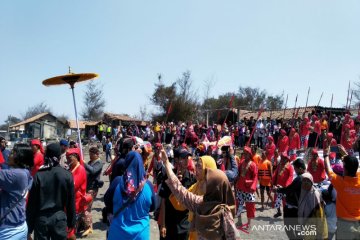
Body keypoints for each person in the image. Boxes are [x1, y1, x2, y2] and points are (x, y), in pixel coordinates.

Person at [162, 149, 239, 240]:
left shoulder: (222, 212)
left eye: (199, 166)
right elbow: (181, 195)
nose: (196, 169)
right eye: (196, 166)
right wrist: (166, 163)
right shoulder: (200, 197)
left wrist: (166, 163)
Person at [26, 143, 76, 240]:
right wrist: (71, 222)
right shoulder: (67, 175)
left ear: (46, 155)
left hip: (41, 219)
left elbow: (32, 204)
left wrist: (29, 227)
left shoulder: (39, 175)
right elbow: (70, 202)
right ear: (59, 155)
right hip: (59, 218)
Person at [104, 151, 156, 240]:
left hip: (118, 233)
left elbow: (107, 202)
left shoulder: (117, 182)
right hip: (141, 234)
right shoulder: (148, 185)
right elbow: (153, 207)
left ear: (126, 163)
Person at [323, 144, 360, 240]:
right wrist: (346, 155)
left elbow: (328, 170)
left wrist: (326, 155)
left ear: (345, 169)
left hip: (344, 225)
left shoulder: (341, 183)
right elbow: (354, 167)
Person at [0, 144, 33, 240]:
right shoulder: (25, 172)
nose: (9, 154)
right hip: (19, 225)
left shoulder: (16, 175)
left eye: (13, 152)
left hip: (9, 231)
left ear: (20, 157)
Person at [274, 158, 306, 239]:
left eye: (295, 168)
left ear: (300, 168)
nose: (295, 170)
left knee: (290, 229)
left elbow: (289, 189)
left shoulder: (300, 178)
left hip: (294, 209)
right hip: (301, 208)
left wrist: (278, 189)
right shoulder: (308, 176)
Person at [298, 173, 328, 239]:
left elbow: (320, 214)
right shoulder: (301, 192)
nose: (305, 183)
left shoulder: (315, 194)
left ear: (311, 182)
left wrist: (320, 232)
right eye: (304, 180)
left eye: (307, 181)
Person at [66, 148, 87, 239]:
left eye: (70, 158)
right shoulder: (71, 168)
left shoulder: (80, 169)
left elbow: (73, 186)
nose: (68, 160)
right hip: (70, 201)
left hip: (76, 202)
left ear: (76, 157)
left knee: (70, 229)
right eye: (67, 158)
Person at [82, 146, 104, 237]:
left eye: (91, 155)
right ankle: (85, 225)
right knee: (85, 207)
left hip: (93, 188)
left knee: (87, 207)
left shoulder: (99, 162)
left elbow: (93, 171)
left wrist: (84, 164)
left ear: (96, 154)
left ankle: (89, 227)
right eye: (89, 154)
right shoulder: (91, 162)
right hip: (87, 186)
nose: (90, 156)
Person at [235, 146, 258, 229]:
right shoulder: (241, 162)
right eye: (244, 153)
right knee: (238, 205)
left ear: (249, 154)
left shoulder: (253, 165)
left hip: (248, 189)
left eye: (246, 153)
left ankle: (248, 223)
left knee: (250, 206)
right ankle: (239, 221)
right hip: (240, 188)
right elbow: (237, 173)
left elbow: (255, 177)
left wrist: (252, 186)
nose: (244, 155)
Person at [272, 152, 294, 218]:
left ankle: (286, 214)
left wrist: (286, 186)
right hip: (278, 186)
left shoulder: (290, 166)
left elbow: (290, 176)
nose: (282, 159)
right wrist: (273, 182)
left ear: (287, 159)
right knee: (277, 200)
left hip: (285, 188)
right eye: (281, 158)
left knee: (285, 202)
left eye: (283, 158)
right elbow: (275, 174)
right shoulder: (279, 165)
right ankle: (279, 212)